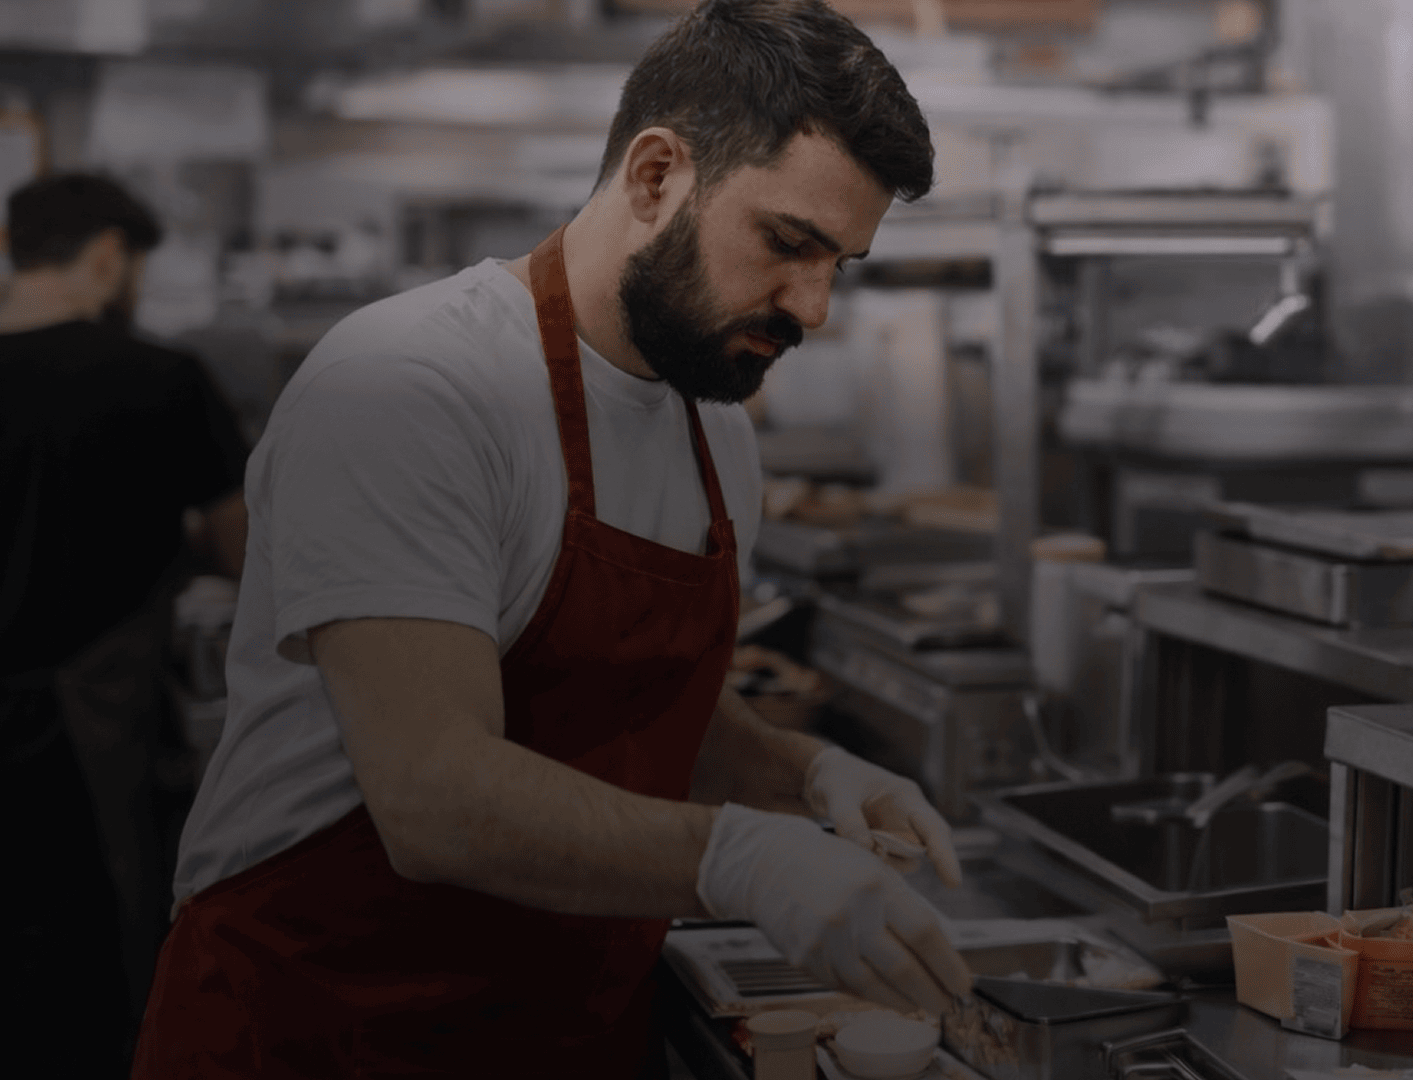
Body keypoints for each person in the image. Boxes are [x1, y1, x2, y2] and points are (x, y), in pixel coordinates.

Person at [133, 2, 971, 1076]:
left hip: (564, 1029)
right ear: (658, 174)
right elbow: (431, 796)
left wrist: (804, 774)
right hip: (324, 1022)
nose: (812, 304)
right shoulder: (410, 387)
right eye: (788, 242)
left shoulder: (716, 430)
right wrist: (741, 857)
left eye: (840, 263)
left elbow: (643, 706)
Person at [0, 172, 250, 1076]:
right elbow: (246, 550)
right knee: (95, 990)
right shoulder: (160, 380)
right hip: (90, 746)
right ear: (109, 256)